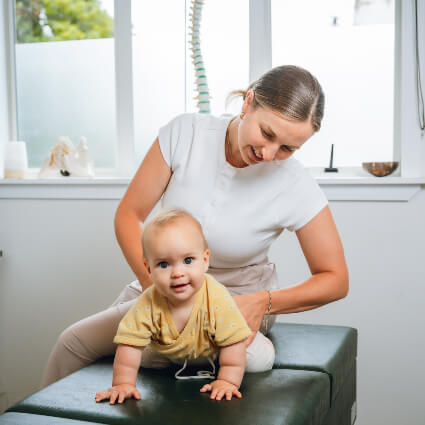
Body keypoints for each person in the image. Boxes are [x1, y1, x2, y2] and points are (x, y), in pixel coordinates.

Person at [41, 64, 349, 389]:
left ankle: (170, 350)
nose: (270, 153)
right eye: (267, 134)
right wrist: (155, 288)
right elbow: (129, 215)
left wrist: (262, 302)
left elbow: (336, 279)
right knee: (71, 343)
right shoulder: (185, 134)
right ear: (248, 102)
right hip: (165, 282)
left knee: (155, 347)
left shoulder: (294, 182)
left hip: (237, 296)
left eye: (288, 148)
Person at [96, 208, 274, 404]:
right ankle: (175, 358)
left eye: (188, 260)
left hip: (216, 348)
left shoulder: (216, 297)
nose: (178, 273)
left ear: (205, 260)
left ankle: (260, 342)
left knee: (256, 360)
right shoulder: (149, 302)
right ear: (149, 269)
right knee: (141, 357)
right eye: (164, 264)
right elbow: (129, 345)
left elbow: (232, 345)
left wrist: (227, 381)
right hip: (172, 351)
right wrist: (123, 383)